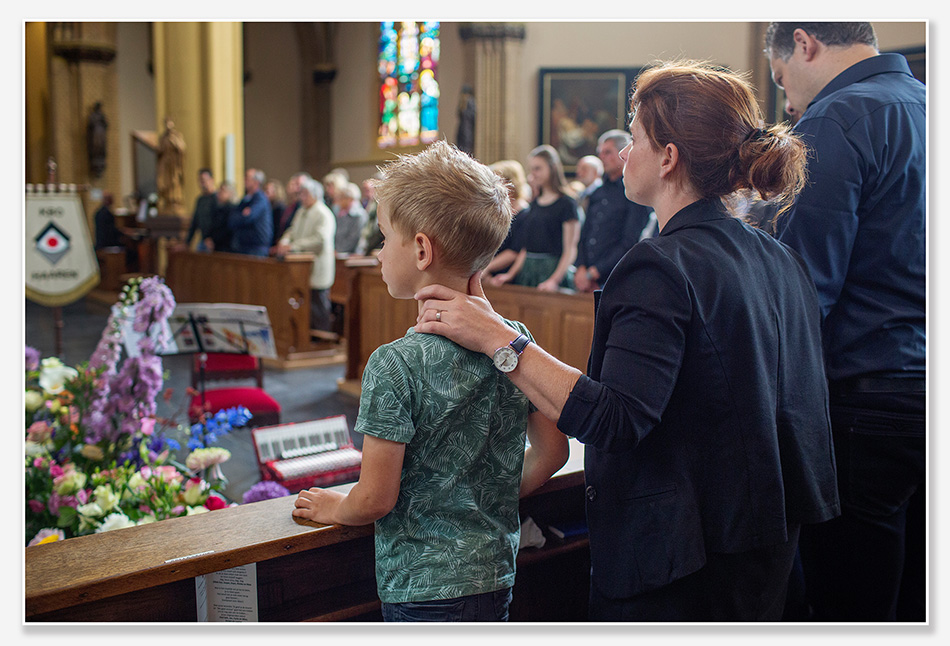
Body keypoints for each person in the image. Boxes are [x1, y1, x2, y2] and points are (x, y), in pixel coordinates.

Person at [415, 60, 840, 622]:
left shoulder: (658, 266)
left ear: (668, 158)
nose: (624, 153)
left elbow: (614, 419)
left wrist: (500, 341)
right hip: (764, 547)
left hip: (681, 562)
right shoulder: (778, 257)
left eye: (635, 137)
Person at [292, 140, 569, 622]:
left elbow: (376, 497)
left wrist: (337, 507)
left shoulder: (395, 364)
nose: (378, 254)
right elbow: (553, 453)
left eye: (382, 238)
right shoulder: (514, 343)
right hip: (496, 573)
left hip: (422, 589)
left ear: (421, 249)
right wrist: (485, 495)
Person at [766, 22, 926, 622]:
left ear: (804, 43)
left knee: (850, 607)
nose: (787, 100)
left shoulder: (836, 119)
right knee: (918, 601)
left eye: (782, 79)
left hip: (865, 398)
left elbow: (805, 288)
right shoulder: (926, 105)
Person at [574, 129, 654, 293]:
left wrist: (595, 272)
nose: (602, 157)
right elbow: (585, 233)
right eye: (600, 153)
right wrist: (581, 268)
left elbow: (630, 241)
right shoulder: (597, 192)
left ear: (623, 153)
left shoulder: (633, 192)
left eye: (608, 152)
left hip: (615, 277)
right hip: (586, 278)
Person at [501, 145, 579, 291]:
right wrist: (510, 275)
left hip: (552, 270)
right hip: (528, 271)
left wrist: (554, 280)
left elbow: (570, 249)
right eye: (532, 169)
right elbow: (526, 248)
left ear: (552, 168)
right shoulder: (535, 203)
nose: (533, 174)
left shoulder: (567, 203)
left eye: (538, 168)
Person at [273, 177, 336, 332]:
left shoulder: (323, 213)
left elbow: (320, 240)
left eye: (305, 194)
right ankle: (307, 336)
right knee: (305, 305)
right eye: (301, 194)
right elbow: (291, 230)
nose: (301, 197)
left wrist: (293, 246)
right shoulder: (301, 211)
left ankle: (323, 337)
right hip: (300, 267)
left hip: (317, 267)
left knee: (318, 306)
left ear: (314, 194)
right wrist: (284, 242)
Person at [484, 159, 531, 284]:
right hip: (490, 273)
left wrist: (486, 268)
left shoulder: (525, 213)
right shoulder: (499, 212)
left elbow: (515, 251)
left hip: (508, 277)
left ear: (510, 183)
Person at [228, 168, 273, 257]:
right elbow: (231, 219)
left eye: (247, 178)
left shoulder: (260, 199)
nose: (244, 181)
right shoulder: (245, 200)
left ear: (256, 182)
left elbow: (248, 218)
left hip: (256, 248)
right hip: (243, 246)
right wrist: (242, 215)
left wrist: (242, 216)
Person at [184, 168, 218, 251]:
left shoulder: (217, 199)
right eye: (200, 181)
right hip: (203, 240)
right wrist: (187, 242)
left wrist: (213, 238)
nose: (202, 183)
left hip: (214, 242)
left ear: (211, 180)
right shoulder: (200, 200)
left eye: (204, 180)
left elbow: (218, 221)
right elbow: (195, 222)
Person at [333, 182, 368, 254]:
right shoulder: (340, 213)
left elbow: (354, 238)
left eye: (341, 198)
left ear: (349, 199)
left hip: (352, 255)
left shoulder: (358, 215)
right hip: (339, 253)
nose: (338, 201)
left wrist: (339, 250)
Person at [206, 181, 235, 253]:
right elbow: (213, 225)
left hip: (227, 247)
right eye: (219, 191)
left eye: (223, 191)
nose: (219, 194)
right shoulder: (217, 208)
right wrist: (209, 238)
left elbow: (228, 228)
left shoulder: (232, 209)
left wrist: (214, 240)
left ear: (230, 193)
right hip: (216, 246)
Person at [264, 178, 287, 246]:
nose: (264, 194)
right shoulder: (269, 206)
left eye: (267, 191)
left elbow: (278, 227)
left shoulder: (279, 208)